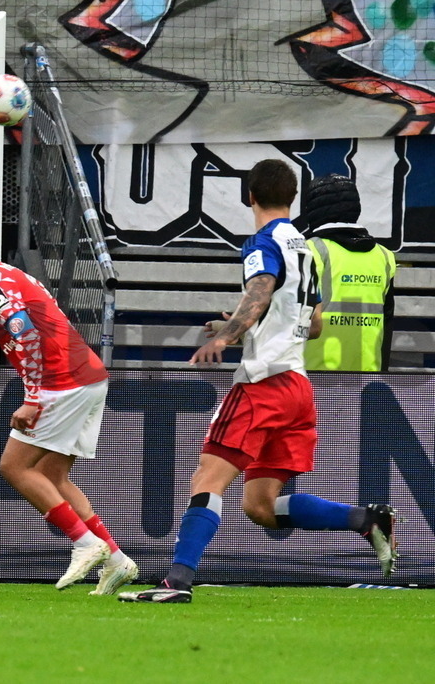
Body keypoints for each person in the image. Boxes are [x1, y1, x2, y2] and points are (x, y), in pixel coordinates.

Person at [118, 159, 398, 604]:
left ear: (250, 195)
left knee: (207, 479)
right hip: (297, 390)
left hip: (262, 385)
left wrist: (230, 335)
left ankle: (176, 582)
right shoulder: (306, 249)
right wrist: (247, 324)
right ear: (291, 198)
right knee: (260, 507)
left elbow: (263, 286)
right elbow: (316, 324)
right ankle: (365, 520)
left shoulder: (263, 242)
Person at [0, 219, 138, 595]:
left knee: (14, 467)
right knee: (52, 475)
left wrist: (33, 397)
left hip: (61, 383)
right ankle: (116, 559)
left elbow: (24, 332)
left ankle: (84, 543)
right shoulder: (12, 273)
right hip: (88, 375)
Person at [300, 173, 396, 371]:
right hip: (366, 380)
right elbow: (386, 325)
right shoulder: (384, 256)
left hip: (313, 380)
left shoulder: (308, 251)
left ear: (312, 210)